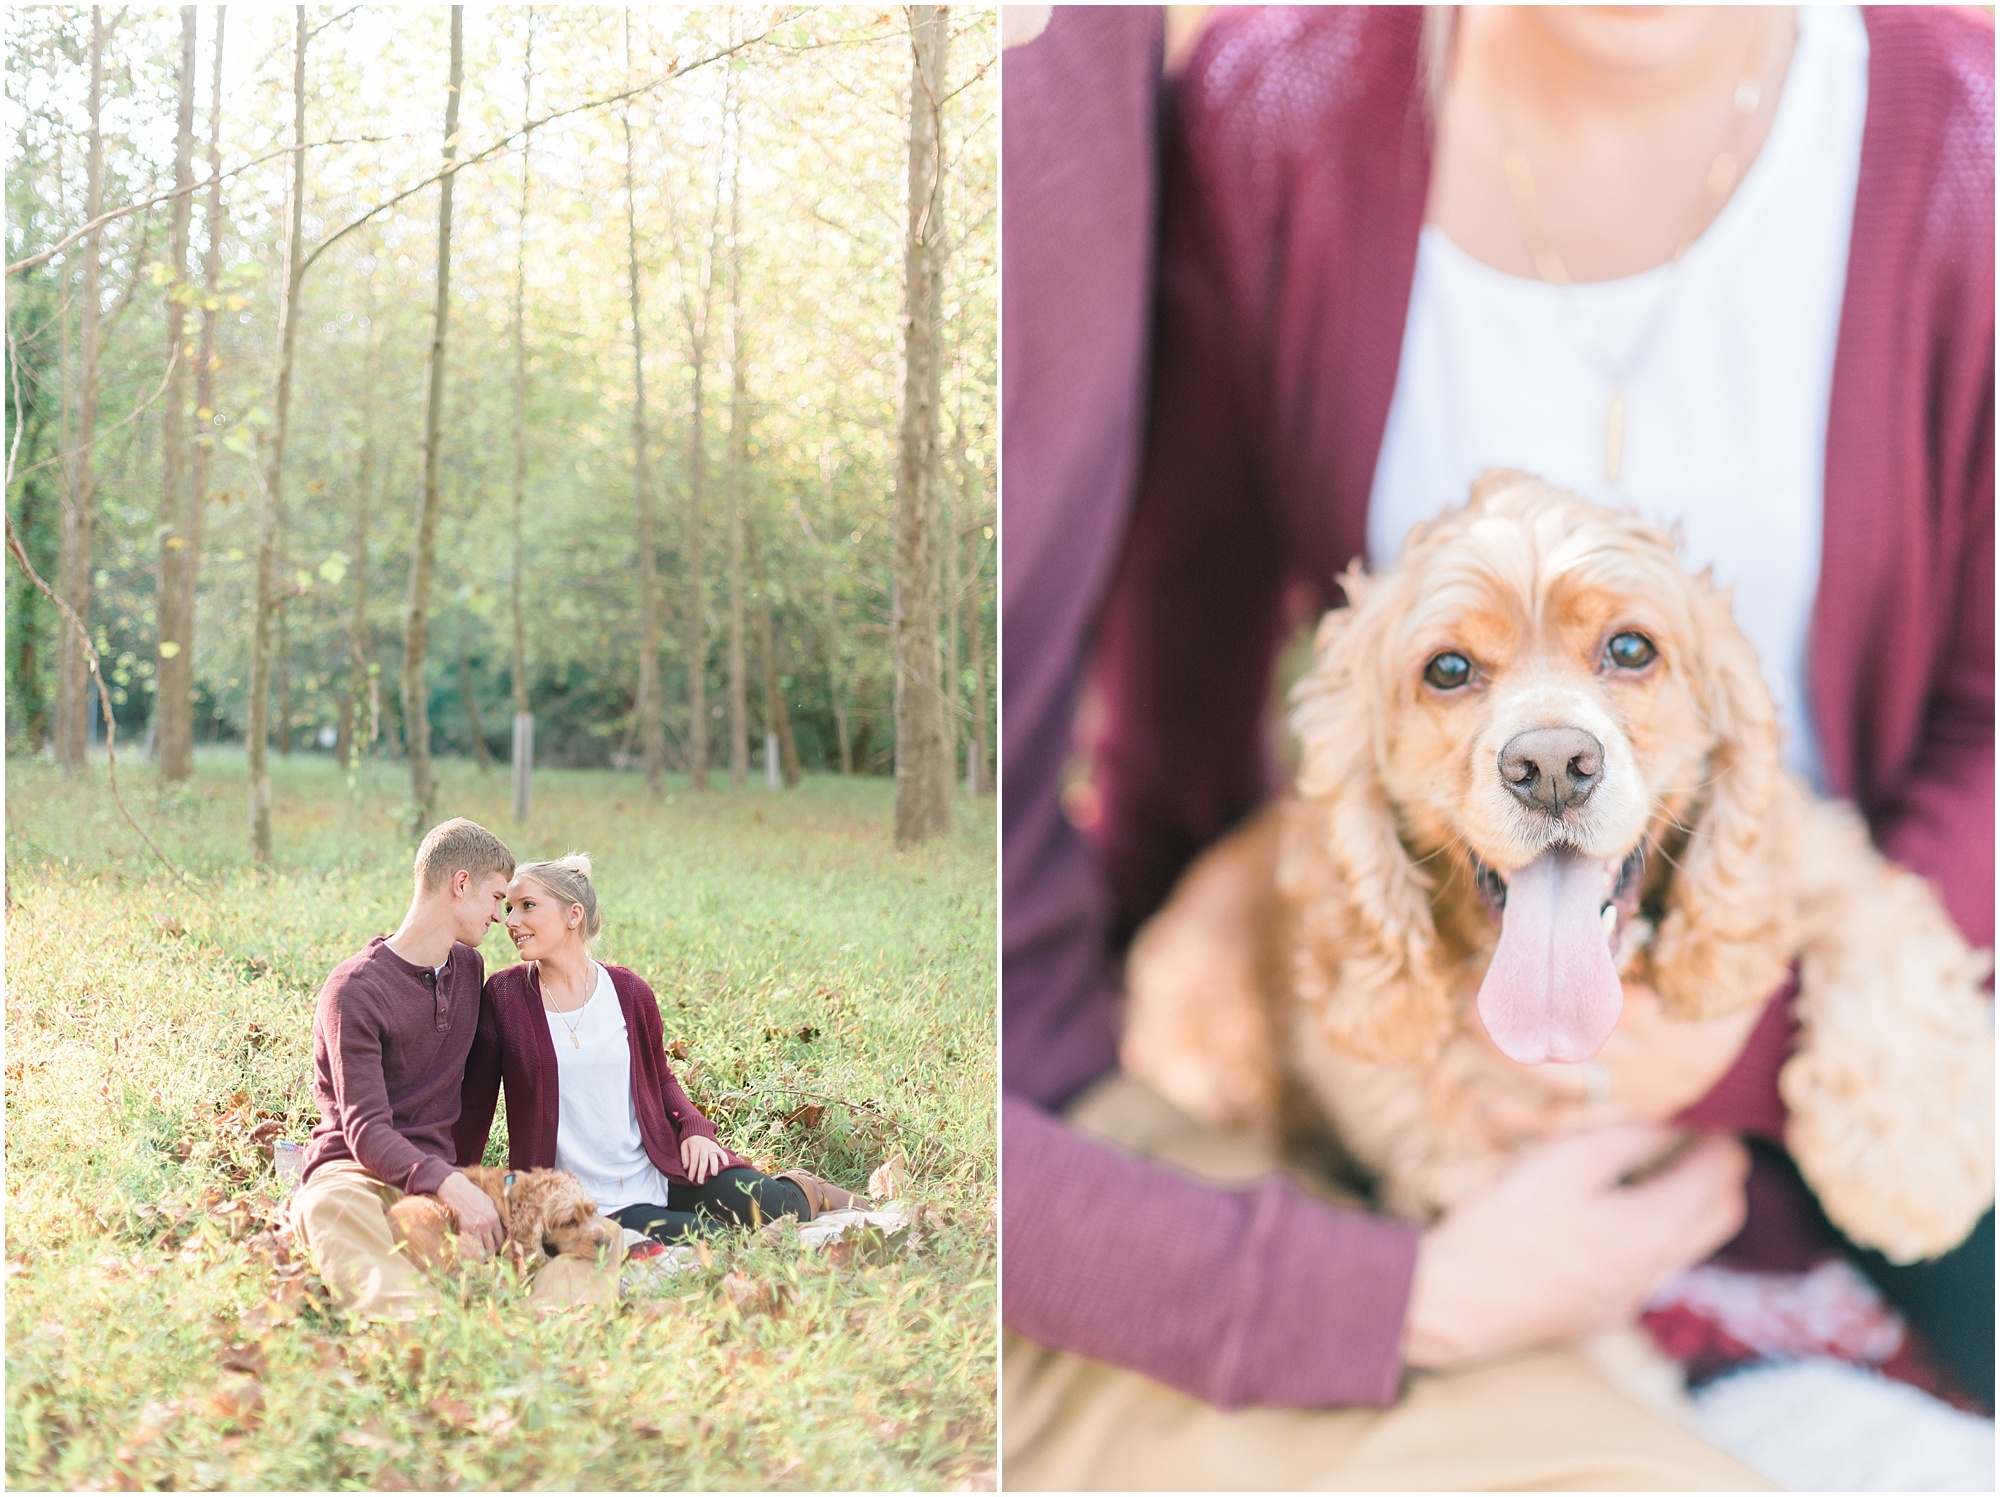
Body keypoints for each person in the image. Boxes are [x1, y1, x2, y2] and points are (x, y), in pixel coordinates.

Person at [1001, 4, 1989, 1487]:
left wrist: (1745, 1031)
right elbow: (1181, 692)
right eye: (1456, 664)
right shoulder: (1267, 109)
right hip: (1445, 1092)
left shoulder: (1963, 141)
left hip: (1893, 1001)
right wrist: (1167, 1107)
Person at [289, 817, 611, 1323]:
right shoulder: (354, 990)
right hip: (359, 1175)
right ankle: (419, 1333)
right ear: (461, 884)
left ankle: (550, 1327)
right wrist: (449, 1184)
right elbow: (366, 1130)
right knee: (328, 1208)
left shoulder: (468, 971)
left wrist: (475, 1189)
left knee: (598, 1237)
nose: (502, 918)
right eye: (496, 899)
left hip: (443, 1186)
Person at [455, 854, 863, 1245]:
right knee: (712, 1239)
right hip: (586, 1201)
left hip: (658, 1165)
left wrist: (695, 1128)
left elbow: (660, 1076)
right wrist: (455, 1186)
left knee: (770, 1206)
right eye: (509, 908)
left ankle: (808, 1188)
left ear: (573, 915)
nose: (510, 921)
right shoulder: (505, 997)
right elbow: (476, 1106)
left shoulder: (629, 992)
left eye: (527, 906)